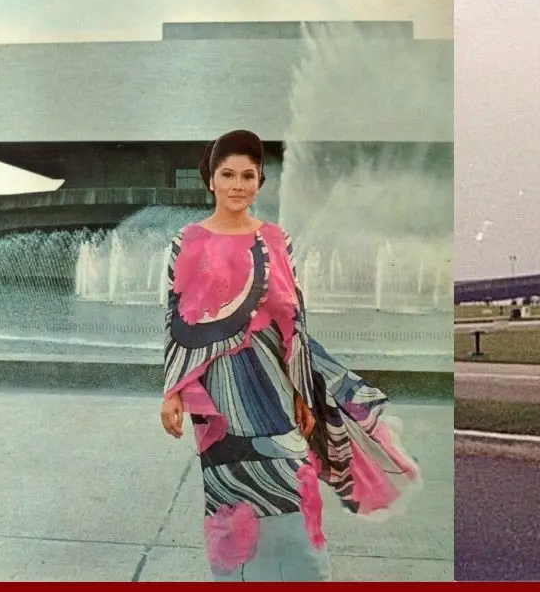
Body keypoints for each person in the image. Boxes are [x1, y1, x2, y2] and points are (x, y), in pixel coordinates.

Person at [158, 129, 421, 581]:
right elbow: (175, 319)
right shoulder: (188, 242)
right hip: (218, 394)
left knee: (295, 483)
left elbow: (296, 320)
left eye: (248, 175)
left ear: (260, 181)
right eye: (228, 175)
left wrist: (303, 391)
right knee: (232, 495)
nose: (238, 185)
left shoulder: (278, 240)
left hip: (278, 385)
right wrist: (173, 392)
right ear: (211, 180)